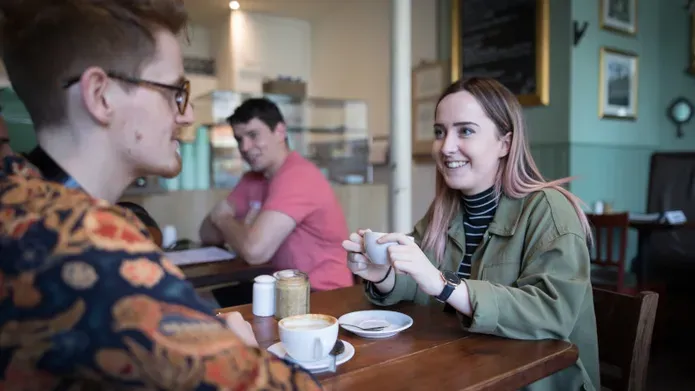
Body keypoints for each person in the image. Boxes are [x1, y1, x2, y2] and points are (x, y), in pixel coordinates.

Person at [0, 1, 320, 389]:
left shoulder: (18, 198)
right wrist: (247, 355)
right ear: (101, 96)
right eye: (174, 92)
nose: (185, 116)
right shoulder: (93, 248)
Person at [343, 77, 600, 391]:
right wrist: (384, 275)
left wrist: (444, 284)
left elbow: (551, 313)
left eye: (465, 130)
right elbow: (419, 284)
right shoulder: (445, 210)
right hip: (469, 371)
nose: (446, 146)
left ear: (505, 143)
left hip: (539, 381)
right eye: (440, 131)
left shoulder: (548, 209)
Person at [199, 98, 353, 303]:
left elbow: (255, 252)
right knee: (196, 303)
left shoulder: (298, 176)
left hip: (321, 294)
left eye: (253, 135)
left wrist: (223, 219)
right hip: (275, 288)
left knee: (204, 312)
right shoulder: (253, 178)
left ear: (280, 132)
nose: (245, 147)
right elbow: (207, 235)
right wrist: (227, 223)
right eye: (239, 139)